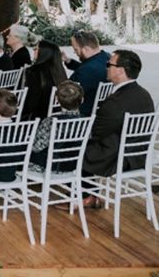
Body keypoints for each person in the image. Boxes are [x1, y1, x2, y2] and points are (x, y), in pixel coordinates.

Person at [81, 50, 155, 208]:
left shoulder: (116, 101)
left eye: (109, 64)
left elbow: (96, 133)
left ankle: (85, 195)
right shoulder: (144, 94)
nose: (106, 67)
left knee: (74, 147)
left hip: (117, 158)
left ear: (121, 70)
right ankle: (90, 193)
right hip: (138, 154)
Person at [30, 80, 84, 170]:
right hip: (74, 165)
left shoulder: (51, 121)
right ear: (82, 100)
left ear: (57, 99)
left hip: (48, 166)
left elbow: (37, 147)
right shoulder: (85, 121)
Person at [63, 30, 110, 116]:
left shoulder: (86, 71)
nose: (75, 53)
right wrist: (68, 60)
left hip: (84, 112)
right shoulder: (107, 57)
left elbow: (66, 92)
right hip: (102, 109)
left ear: (85, 49)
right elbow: (87, 67)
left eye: (76, 50)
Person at [20, 40, 68, 120]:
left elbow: (31, 102)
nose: (34, 51)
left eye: (36, 49)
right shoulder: (60, 71)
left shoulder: (33, 71)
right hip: (57, 117)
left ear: (43, 53)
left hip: (36, 118)